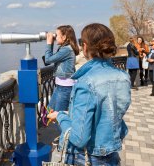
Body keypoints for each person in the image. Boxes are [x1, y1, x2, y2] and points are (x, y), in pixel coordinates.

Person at [47, 23, 131, 165]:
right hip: (111, 155)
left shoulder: (86, 82)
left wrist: (61, 116)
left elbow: (79, 139)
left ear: (85, 46)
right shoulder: (123, 76)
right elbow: (111, 115)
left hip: (87, 158)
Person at [44, 25, 80, 112]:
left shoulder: (66, 50)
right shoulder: (63, 48)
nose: (55, 37)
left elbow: (48, 60)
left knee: (59, 116)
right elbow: (48, 60)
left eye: (56, 35)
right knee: (49, 110)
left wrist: (49, 43)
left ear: (64, 37)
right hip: (61, 86)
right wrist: (51, 43)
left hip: (65, 88)